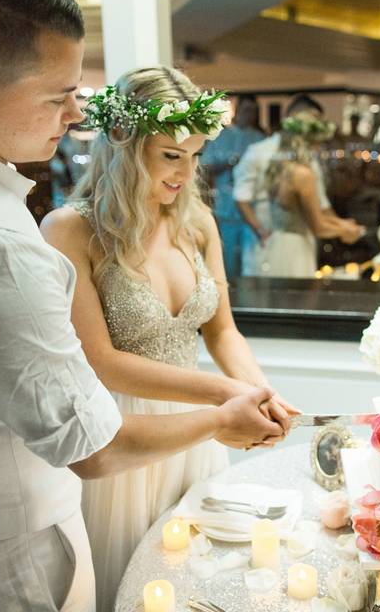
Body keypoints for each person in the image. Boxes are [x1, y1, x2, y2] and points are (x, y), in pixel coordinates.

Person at [0, 0, 285, 611]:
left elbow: (220, 331)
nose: (78, 115)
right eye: (59, 96)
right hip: (5, 549)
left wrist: (236, 393)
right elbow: (96, 449)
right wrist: (221, 413)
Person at [40, 68, 297, 607]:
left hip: (199, 435)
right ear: (124, 145)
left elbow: (223, 332)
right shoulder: (70, 230)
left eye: (196, 156)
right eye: (171, 155)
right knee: (129, 586)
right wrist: (225, 398)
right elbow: (102, 362)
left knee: (196, 581)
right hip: (121, 438)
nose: (187, 172)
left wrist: (260, 392)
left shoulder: (197, 222)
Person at [233, 94, 360, 275]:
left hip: (295, 240)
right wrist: (261, 231)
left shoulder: (301, 162)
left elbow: (320, 205)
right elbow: (241, 198)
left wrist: (341, 224)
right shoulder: (260, 153)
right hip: (267, 241)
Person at [199, 94, 266, 278]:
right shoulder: (221, 136)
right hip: (226, 206)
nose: (249, 115)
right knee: (227, 259)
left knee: (251, 260)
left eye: (253, 111)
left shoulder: (260, 138)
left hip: (252, 210)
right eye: (245, 110)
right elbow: (204, 166)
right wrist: (228, 163)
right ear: (237, 112)